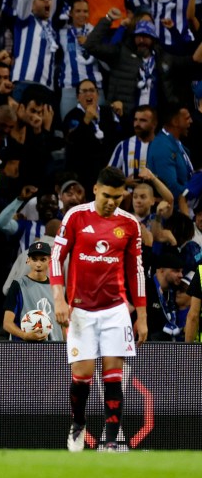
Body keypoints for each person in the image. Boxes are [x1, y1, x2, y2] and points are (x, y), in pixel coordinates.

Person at [51, 166, 147, 452]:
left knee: (113, 375)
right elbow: (56, 258)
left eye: (118, 197)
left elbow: (136, 271)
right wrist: (58, 297)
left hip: (115, 309)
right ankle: (78, 423)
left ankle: (110, 441)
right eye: (107, 195)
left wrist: (141, 316)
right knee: (82, 376)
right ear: (95, 189)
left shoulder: (129, 224)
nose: (111, 202)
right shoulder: (76, 216)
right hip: (80, 310)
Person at [3, 240, 64, 342]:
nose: (38, 264)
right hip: (26, 350)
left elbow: (62, 325)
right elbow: (7, 323)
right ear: (28, 261)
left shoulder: (56, 287)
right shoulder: (18, 285)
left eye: (43, 260)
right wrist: (24, 335)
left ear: (50, 261)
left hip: (54, 350)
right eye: (34, 259)